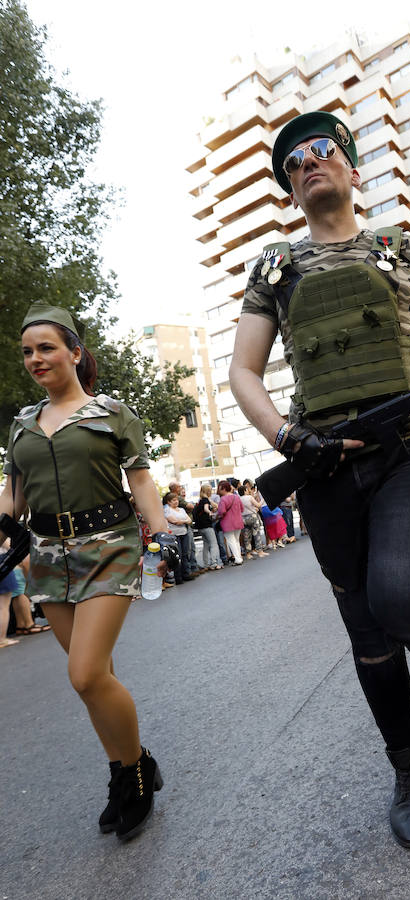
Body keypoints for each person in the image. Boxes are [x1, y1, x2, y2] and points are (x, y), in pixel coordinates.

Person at [229, 111, 410, 848]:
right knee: (369, 636)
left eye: (323, 151)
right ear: (290, 188)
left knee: (405, 592)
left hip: (408, 447)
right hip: (324, 466)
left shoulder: (400, 246)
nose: (309, 163)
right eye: (293, 163)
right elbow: (243, 370)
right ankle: (407, 772)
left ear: (351, 168)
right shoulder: (274, 266)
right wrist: (287, 436)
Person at [0, 302, 178, 841]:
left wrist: (160, 533)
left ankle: (137, 773)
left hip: (110, 546)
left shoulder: (112, 412)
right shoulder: (22, 426)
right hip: (48, 556)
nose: (36, 358)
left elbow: (142, 481)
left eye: (47, 347)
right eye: (28, 351)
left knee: (84, 672)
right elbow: (13, 498)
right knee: (95, 680)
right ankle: (125, 771)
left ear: (75, 352)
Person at [163, 492, 196, 582]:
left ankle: (186, 573)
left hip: (184, 533)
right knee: (178, 555)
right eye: (173, 500)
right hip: (174, 535)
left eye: (176, 500)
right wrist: (184, 521)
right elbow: (174, 521)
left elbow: (189, 520)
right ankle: (178, 577)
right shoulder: (167, 510)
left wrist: (182, 521)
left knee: (185, 553)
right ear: (168, 502)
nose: (176, 502)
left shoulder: (181, 509)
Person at [194, 484, 222, 569]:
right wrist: (209, 512)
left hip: (200, 527)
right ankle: (214, 563)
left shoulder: (201, 501)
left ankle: (206, 564)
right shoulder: (205, 500)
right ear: (208, 491)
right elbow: (207, 508)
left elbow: (215, 506)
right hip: (207, 526)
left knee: (206, 545)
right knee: (214, 544)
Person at [216, 481, 244, 565]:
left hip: (227, 523)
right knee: (236, 540)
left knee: (231, 541)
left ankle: (238, 559)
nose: (219, 490)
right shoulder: (236, 497)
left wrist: (216, 515)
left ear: (223, 489)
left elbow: (221, 512)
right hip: (238, 521)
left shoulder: (223, 499)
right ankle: (239, 557)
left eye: (220, 488)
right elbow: (242, 509)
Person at [238, 484, 269, 559]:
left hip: (243, 518)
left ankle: (248, 553)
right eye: (247, 489)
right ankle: (260, 551)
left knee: (246, 536)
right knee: (256, 534)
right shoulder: (249, 497)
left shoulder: (238, 499)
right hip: (252, 517)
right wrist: (262, 500)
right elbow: (258, 505)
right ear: (245, 491)